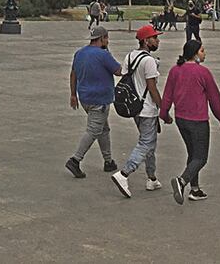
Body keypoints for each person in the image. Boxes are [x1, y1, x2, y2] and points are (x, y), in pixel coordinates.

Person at [160, 39, 220, 204]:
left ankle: (195, 189)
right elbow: (214, 98)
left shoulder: (175, 71)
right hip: (198, 120)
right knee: (201, 157)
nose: (205, 53)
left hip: (181, 119)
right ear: (195, 53)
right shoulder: (203, 73)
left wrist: (164, 113)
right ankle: (182, 181)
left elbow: (168, 93)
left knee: (193, 154)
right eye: (203, 50)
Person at [110, 25, 164, 198]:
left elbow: (126, 76)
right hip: (148, 108)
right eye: (155, 38)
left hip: (135, 107)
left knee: (149, 143)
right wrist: (163, 107)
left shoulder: (130, 56)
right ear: (146, 41)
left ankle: (152, 178)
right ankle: (124, 173)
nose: (158, 40)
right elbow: (152, 87)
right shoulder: (149, 61)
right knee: (146, 143)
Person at [66, 26, 122, 179]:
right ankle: (75, 160)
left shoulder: (79, 53)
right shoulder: (103, 55)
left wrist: (73, 94)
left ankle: (108, 160)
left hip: (84, 97)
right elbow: (118, 71)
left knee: (103, 129)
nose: (108, 41)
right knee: (93, 130)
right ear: (102, 38)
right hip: (100, 99)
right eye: (107, 38)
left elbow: (73, 74)